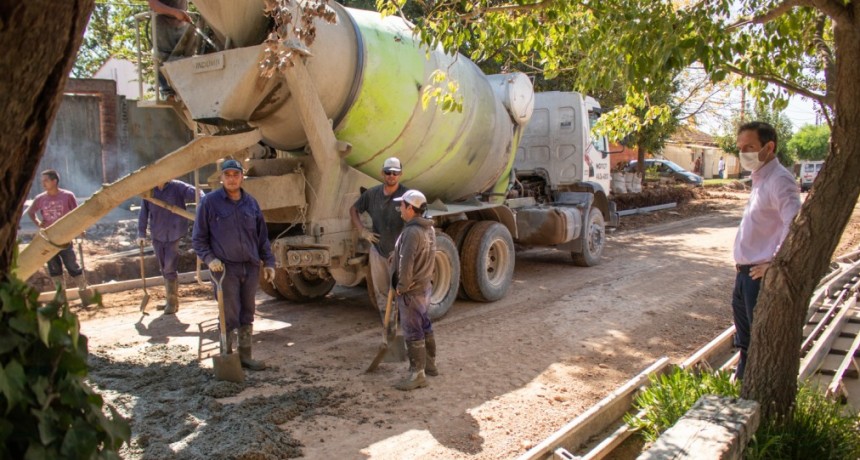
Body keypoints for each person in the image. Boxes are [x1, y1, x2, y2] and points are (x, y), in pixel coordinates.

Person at [731, 121, 801, 380]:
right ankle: (744, 387)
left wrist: (775, 262)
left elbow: (794, 223)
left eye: (749, 146)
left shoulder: (779, 179)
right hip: (744, 275)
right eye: (740, 148)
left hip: (758, 276)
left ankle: (753, 393)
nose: (743, 153)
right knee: (745, 341)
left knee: (757, 343)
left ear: (769, 147)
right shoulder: (760, 179)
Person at [192, 159, 276, 370]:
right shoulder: (210, 203)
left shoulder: (251, 203)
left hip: (249, 266)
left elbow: (262, 237)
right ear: (221, 177)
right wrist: (210, 260)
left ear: (242, 177)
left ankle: (245, 356)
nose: (231, 179)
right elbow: (198, 238)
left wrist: (269, 262)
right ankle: (227, 356)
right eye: (227, 175)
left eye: (235, 174)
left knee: (247, 311)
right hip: (225, 269)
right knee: (229, 313)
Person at [350, 157, 408, 320]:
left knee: (402, 289)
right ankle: (387, 320)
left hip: (400, 252)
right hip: (378, 251)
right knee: (381, 290)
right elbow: (353, 210)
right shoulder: (372, 194)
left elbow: (417, 219)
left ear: (400, 174)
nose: (391, 175)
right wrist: (362, 231)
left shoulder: (406, 195)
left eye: (395, 173)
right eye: (388, 172)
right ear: (382, 173)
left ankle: (404, 322)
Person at [390, 190, 437, 391]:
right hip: (424, 287)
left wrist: (401, 287)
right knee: (424, 324)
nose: (400, 208)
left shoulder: (411, 232)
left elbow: (406, 262)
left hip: (411, 290)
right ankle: (430, 365)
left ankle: (417, 374)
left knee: (412, 330)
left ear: (410, 208)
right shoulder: (429, 229)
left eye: (402, 205)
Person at [25, 169, 91, 306]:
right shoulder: (40, 198)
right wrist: (38, 223)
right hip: (49, 240)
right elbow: (31, 212)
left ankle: (85, 294)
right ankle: (61, 299)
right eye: (42, 181)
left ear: (54, 181)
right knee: (54, 269)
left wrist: (80, 229)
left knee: (72, 265)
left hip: (65, 238)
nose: (43, 183)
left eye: (46, 180)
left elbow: (77, 214)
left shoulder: (67, 196)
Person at [137, 179, 204, 314]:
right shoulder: (150, 191)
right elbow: (143, 213)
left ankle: (172, 303)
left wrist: (205, 203)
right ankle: (170, 299)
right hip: (157, 233)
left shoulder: (177, 187)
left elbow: (198, 194)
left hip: (174, 233)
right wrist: (141, 233)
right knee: (163, 266)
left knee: (169, 265)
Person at [148, 0, 192, 95]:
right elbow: (154, 4)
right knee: (164, 58)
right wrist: (175, 12)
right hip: (163, 26)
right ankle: (166, 89)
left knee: (185, 57)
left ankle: (182, 89)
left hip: (182, 25)